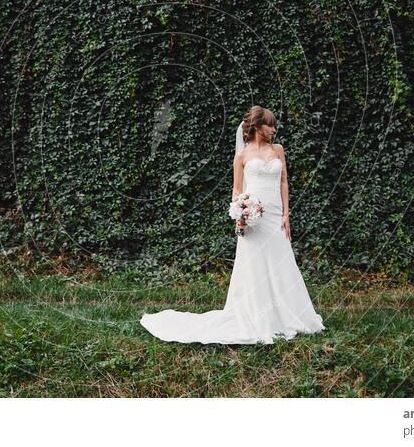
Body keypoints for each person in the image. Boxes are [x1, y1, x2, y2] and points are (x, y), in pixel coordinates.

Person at [140, 105, 326, 344]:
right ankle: (258, 317)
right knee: (255, 265)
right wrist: (241, 212)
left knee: (282, 260)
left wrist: (286, 214)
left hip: (275, 215)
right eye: (269, 125)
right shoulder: (242, 155)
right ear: (257, 127)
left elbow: (283, 183)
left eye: (274, 125)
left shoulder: (278, 149)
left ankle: (287, 314)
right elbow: (237, 189)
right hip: (253, 219)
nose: (274, 129)